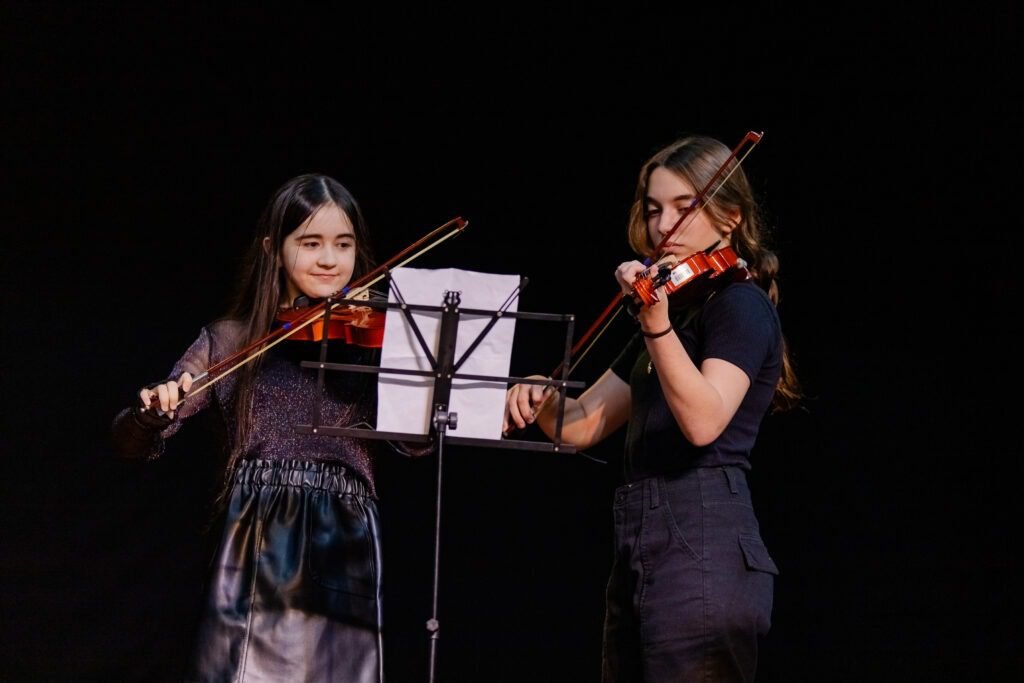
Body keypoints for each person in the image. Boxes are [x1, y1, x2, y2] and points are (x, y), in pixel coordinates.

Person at [504, 134, 800, 682]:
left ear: (729, 217)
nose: (665, 227)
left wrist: (654, 321)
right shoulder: (672, 314)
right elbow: (582, 425)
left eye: (686, 209)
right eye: (655, 209)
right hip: (644, 539)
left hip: (706, 532)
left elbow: (703, 421)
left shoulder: (740, 306)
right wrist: (540, 395)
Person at [111, 173, 416, 682]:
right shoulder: (233, 341)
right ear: (276, 249)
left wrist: (401, 364)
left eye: (343, 245)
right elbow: (130, 441)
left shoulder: (371, 340)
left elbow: (414, 442)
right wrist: (152, 411)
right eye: (310, 243)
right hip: (261, 533)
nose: (328, 260)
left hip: (347, 536)